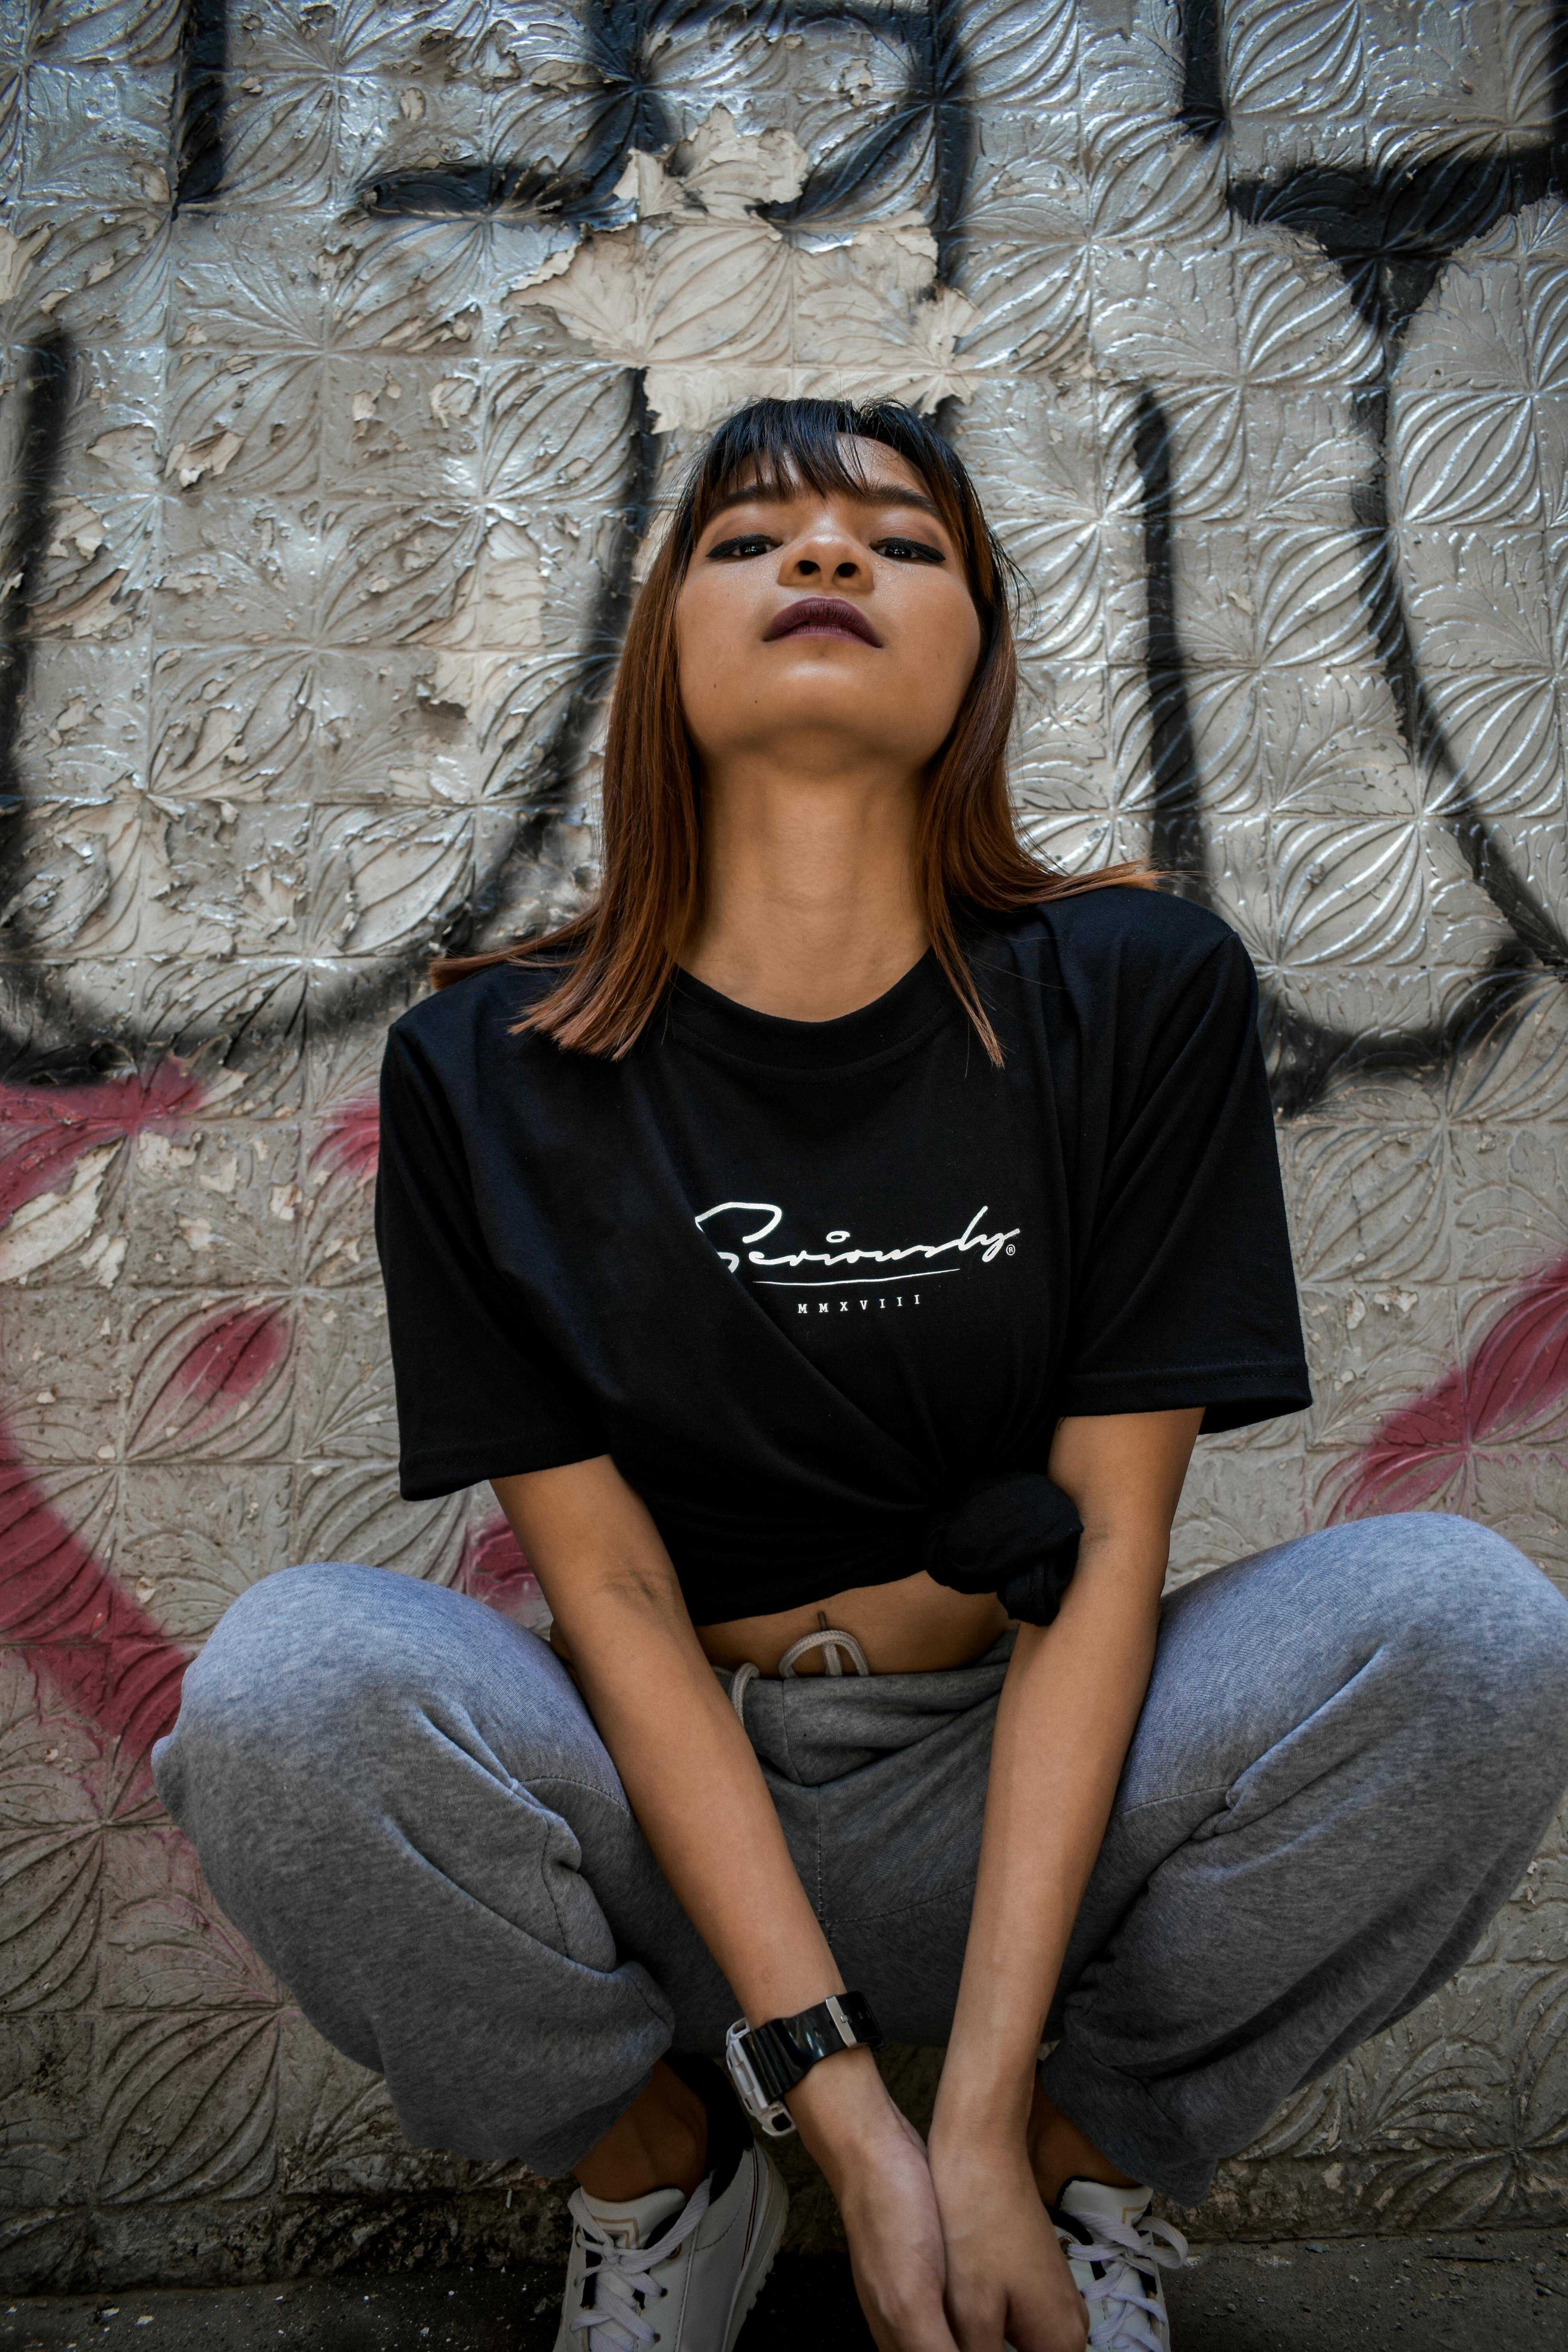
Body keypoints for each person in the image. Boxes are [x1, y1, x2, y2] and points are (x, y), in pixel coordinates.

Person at [152, 397, 1568, 2352]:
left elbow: (1101, 1553)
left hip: (1028, 1778)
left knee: (1470, 1628)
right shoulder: (487, 1067)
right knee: (288, 1690)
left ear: (978, 649)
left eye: (901, 542)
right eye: (751, 541)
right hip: (669, 1802)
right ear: (659, 646)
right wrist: (847, 2119)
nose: (827, 559)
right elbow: (615, 1595)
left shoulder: (1138, 990)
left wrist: (972, 2125)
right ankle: (665, 2173)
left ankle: (1082, 2175)